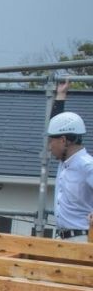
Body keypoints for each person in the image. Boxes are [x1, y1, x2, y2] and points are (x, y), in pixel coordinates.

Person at [46, 88, 93, 240]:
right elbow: (56, 123)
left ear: (64, 140)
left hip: (83, 239)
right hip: (64, 238)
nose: (49, 146)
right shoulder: (65, 162)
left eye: (51, 141)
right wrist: (60, 96)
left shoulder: (87, 165)